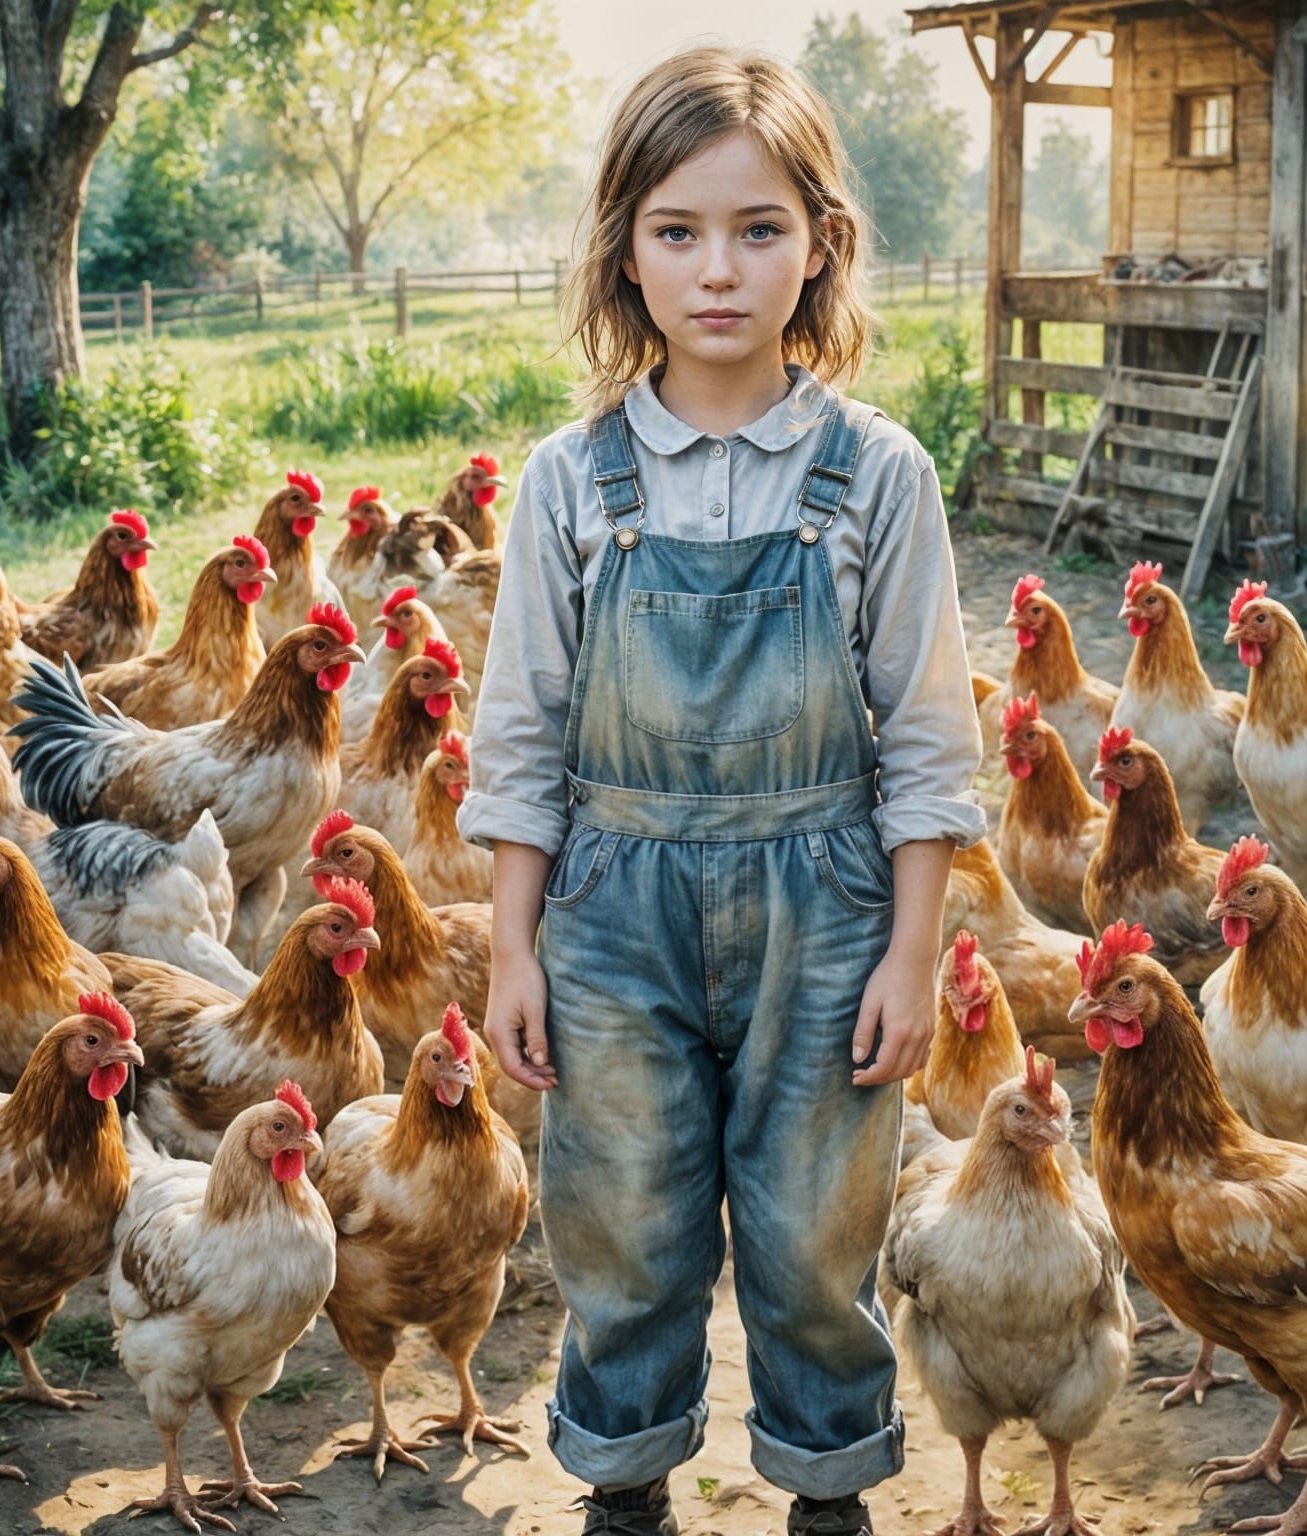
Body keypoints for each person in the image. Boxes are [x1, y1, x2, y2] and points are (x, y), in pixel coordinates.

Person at [458, 43, 985, 1536]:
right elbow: (523, 731)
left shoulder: (878, 475)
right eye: (678, 232)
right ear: (625, 251)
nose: (719, 271)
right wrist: (513, 946)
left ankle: (828, 1491)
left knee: (820, 1230)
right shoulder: (573, 481)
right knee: (621, 1221)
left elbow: (932, 739)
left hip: (826, 904)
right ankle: (627, 1490)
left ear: (821, 246)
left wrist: (911, 951)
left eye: (760, 231)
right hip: (614, 908)